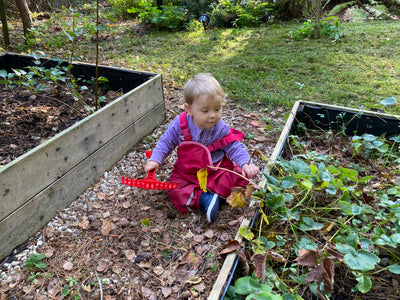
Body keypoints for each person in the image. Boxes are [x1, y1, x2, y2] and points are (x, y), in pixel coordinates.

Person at [144, 73, 259, 223]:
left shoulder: (220, 128)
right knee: (175, 191)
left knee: (240, 177)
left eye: (217, 109)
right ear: (189, 109)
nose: (213, 116)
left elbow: (234, 146)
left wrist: (245, 163)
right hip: (188, 174)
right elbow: (166, 142)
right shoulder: (180, 124)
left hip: (215, 171)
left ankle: (216, 194)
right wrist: (155, 160)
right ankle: (206, 198)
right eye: (205, 111)